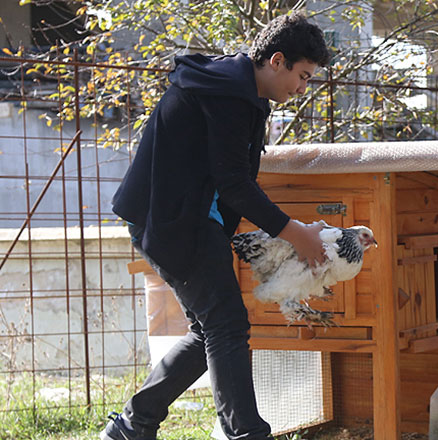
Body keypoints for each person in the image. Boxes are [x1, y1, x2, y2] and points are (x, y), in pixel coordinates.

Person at [101, 13, 331, 440]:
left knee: (212, 328)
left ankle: (134, 424)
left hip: (185, 218)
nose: (302, 88)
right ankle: (246, 433)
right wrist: (295, 232)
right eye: (302, 76)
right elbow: (235, 183)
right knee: (226, 324)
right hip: (172, 221)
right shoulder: (226, 91)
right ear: (276, 61)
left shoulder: (241, 91)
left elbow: (231, 179)